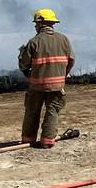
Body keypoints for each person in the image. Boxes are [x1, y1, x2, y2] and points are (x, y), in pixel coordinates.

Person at [18, 8, 75, 149]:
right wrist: (62, 75)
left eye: (36, 24)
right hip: (57, 86)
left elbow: (24, 64)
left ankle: (28, 140)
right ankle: (47, 141)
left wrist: (27, 73)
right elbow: (71, 60)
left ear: (40, 24)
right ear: (52, 23)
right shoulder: (64, 40)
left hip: (36, 86)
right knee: (52, 112)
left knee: (32, 111)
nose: (35, 26)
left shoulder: (34, 42)